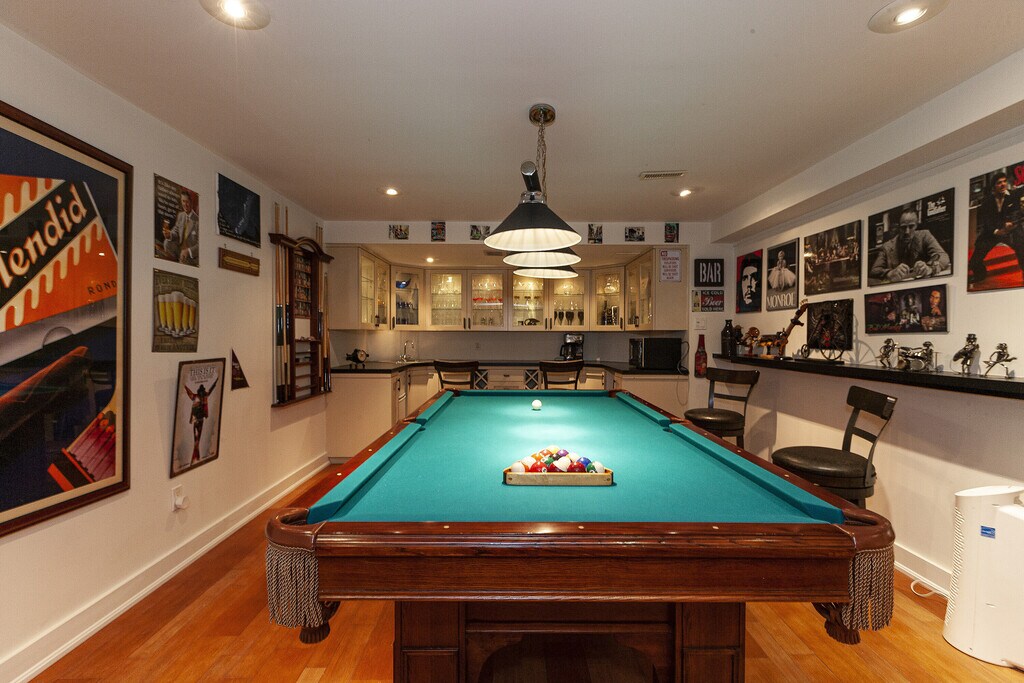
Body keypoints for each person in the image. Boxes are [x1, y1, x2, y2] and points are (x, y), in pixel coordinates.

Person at [869, 206, 949, 283]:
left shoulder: (925, 236)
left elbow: (943, 256)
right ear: (898, 227)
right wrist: (890, 273)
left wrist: (930, 268)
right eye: (903, 227)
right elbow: (874, 271)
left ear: (916, 226)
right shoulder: (887, 247)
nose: (907, 232)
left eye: (911, 227)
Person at [968, 172, 1023, 284]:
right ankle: (980, 275)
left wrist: (1011, 223)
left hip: (1011, 231)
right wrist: (996, 231)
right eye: (999, 183)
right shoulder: (987, 201)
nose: (1003, 184)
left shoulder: (1014, 195)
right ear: (994, 187)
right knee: (975, 260)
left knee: (1022, 248)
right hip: (993, 232)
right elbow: (986, 221)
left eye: (1004, 181)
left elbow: (1016, 212)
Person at [184, 377, 218, 463]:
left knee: (197, 438)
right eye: (202, 392)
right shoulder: (199, 397)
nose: (203, 394)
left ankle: (196, 457)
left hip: (200, 420)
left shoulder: (201, 397)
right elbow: (190, 392)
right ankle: (196, 457)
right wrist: (185, 386)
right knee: (196, 438)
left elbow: (211, 389)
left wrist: (216, 382)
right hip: (197, 420)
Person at [162, 189, 199, 266]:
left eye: (187, 202)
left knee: (185, 261)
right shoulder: (181, 215)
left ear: (191, 202)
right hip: (180, 250)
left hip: (191, 256)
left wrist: (188, 251)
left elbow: (201, 245)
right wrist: (169, 235)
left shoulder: (198, 221)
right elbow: (175, 231)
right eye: (183, 201)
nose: (185, 204)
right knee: (167, 242)